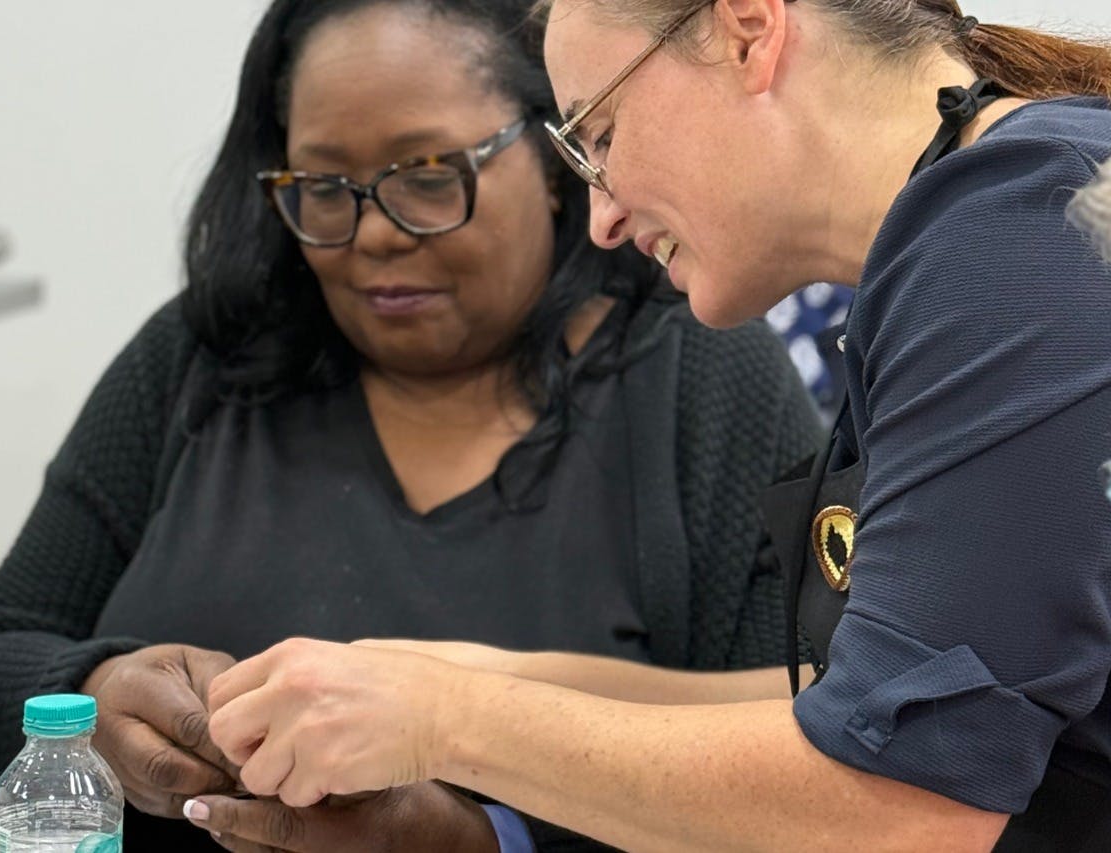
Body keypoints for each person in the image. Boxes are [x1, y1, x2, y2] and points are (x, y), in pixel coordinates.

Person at [0, 0, 824, 850]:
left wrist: (482, 837)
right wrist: (92, 698)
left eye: (427, 179)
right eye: (323, 189)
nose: (375, 233)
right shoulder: (207, 356)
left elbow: (792, 774)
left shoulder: (702, 378)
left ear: (556, 159)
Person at [204, 0, 1111, 849]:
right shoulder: (988, 231)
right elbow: (873, 707)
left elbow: (905, 807)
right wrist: (462, 678)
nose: (601, 219)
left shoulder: (1020, 235)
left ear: (748, 31)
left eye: (600, 135)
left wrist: (441, 720)